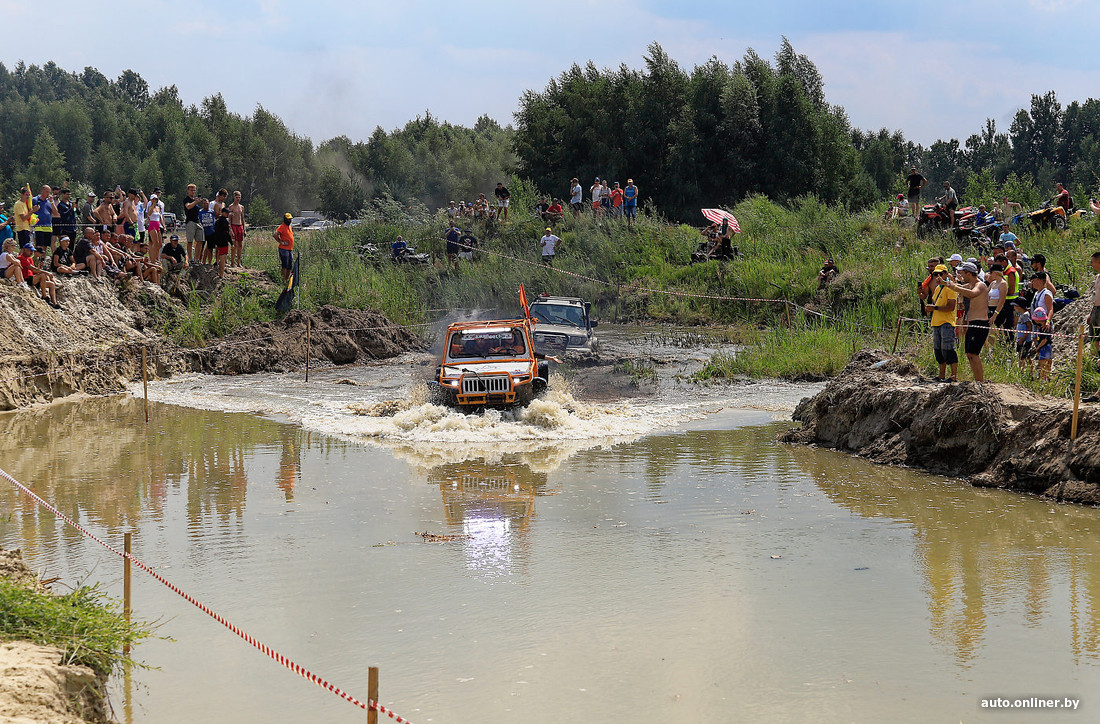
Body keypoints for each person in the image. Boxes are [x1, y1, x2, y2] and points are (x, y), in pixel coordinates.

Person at [940, 261, 989, 382]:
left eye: (963, 273)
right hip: (972, 323)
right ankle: (977, 380)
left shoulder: (980, 285)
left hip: (980, 323)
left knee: (974, 354)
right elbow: (961, 288)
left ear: (969, 273)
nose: (961, 276)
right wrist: (946, 284)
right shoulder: (970, 285)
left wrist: (953, 286)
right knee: (969, 354)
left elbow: (972, 294)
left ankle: (980, 382)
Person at [924, 264, 959, 382]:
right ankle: (941, 375)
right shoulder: (938, 288)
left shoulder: (951, 288)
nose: (938, 277)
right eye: (935, 274)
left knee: (948, 349)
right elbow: (935, 302)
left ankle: (953, 376)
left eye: (940, 274)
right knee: (938, 350)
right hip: (936, 322)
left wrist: (934, 308)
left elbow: (951, 307)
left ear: (946, 274)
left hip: (947, 322)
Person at [18, 243, 59, 308]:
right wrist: (46, 272)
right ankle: (44, 296)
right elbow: (33, 269)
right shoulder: (21, 258)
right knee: (43, 275)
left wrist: (40, 269)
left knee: (51, 284)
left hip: (32, 278)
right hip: (26, 278)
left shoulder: (30, 259)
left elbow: (34, 271)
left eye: (32, 251)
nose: (31, 252)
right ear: (25, 250)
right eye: (30, 250)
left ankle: (55, 303)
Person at [31, 185, 57, 258]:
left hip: (48, 227)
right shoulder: (35, 200)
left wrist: (52, 202)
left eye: (49, 192)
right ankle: (36, 261)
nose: (48, 194)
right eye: (46, 192)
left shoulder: (49, 201)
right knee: (39, 246)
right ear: (42, 191)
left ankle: (42, 262)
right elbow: (30, 210)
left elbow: (56, 212)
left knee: (45, 246)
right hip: (38, 226)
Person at [986, 264, 1009, 344]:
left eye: (991, 273)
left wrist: (995, 314)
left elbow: (1002, 300)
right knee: (990, 332)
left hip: (998, 310)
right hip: (990, 308)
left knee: (997, 331)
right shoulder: (993, 283)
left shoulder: (1003, 284)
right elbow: (986, 293)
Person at [1031, 306, 1053, 379]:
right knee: (1043, 364)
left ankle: (1043, 379)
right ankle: (1044, 378)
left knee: (1043, 364)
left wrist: (1038, 347)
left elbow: (1045, 340)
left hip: (1045, 347)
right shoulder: (1042, 327)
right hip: (1044, 347)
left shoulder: (1046, 328)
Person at [183, 183, 203, 260]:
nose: (193, 192)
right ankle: (190, 259)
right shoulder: (186, 199)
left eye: (194, 190)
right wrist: (195, 202)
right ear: (188, 190)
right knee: (190, 241)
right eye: (191, 190)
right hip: (190, 221)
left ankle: (196, 259)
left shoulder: (195, 200)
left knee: (200, 240)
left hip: (197, 221)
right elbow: (188, 207)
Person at [273, 213, 294, 282]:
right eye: (288, 219)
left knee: (289, 266)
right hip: (283, 249)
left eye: (290, 219)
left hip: (290, 249)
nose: (290, 220)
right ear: (285, 219)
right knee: (284, 265)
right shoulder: (282, 226)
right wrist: (281, 242)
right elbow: (275, 234)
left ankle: (286, 280)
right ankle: (283, 281)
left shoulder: (290, 227)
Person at [1013, 301, 1033, 373]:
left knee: (1026, 356)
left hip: (1025, 340)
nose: (1014, 308)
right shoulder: (1022, 315)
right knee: (1021, 356)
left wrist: (1023, 338)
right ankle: (1021, 371)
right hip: (1020, 339)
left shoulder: (1025, 315)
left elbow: (1029, 327)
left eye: (1015, 306)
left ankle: (1030, 372)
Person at [228, 191, 246, 268]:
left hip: (240, 226)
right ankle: (232, 262)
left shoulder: (241, 207)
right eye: (236, 197)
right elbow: (229, 219)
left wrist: (244, 229)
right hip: (233, 225)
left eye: (239, 197)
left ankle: (239, 262)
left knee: (240, 245)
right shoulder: (231, 207)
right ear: (234, 197)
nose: (238, 199)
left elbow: (242, 218)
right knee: (234, 245)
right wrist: (230, 230)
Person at [145, 193, 164, 262]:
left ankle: (156, 257)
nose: (155, 200)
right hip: (152, 224)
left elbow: (160, 217)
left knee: (160, 244)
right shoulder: (150, 207)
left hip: (157, 224)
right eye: (154, 199)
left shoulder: (158, 208)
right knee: (154, 243)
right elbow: (149, 214)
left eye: (156, 199)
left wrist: (163, 226)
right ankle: (153, 259)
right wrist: (152, 205)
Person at [1089, 251, 1100, 359]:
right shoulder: (1097, 277)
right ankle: (1095, 360)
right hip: (1096, 309)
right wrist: (1091, 313)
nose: (1091, 264)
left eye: (1092, 262)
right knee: (1093, 336)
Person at [199, 199, 216, 264]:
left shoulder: (212, 211)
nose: (206, 205)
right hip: (202, 232)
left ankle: (209, 262)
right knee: (201, 248)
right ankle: (199, 261)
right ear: (202, 204)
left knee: (210, 249)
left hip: (211, 232)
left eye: (207, 203)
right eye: (204, 203)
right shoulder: (200, 212)